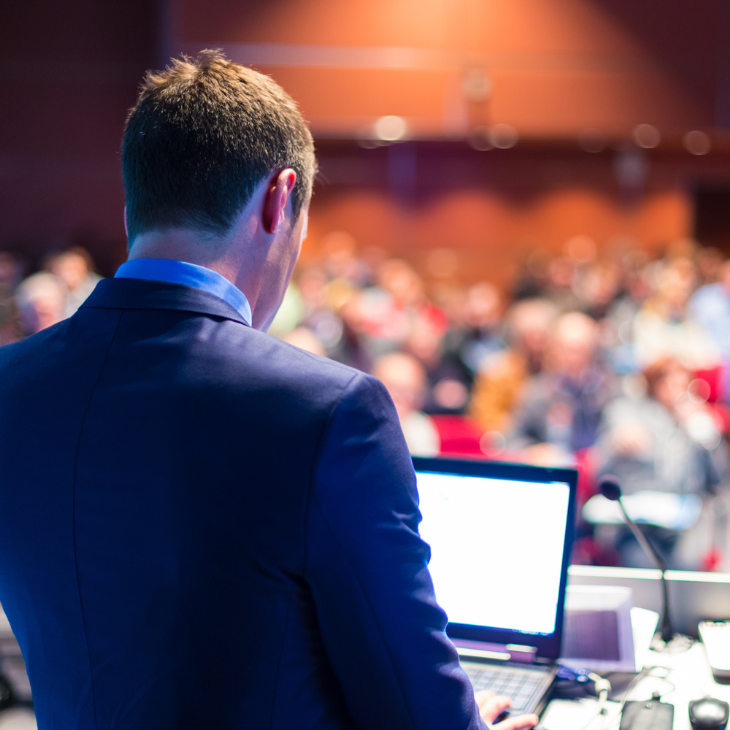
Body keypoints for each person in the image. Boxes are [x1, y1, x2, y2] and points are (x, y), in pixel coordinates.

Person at [0, 51, 536, 730]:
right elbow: (416, 713)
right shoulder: (328, 410)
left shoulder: (10, 384)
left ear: (136, 195)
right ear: (280, 199)